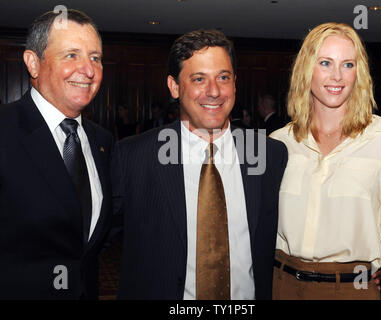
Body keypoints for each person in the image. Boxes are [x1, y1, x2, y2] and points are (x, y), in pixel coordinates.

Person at [112, 29, 287, 299]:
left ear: (235, 84)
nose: (214, 91)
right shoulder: (132, 157)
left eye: (223, 78)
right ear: (174, 86)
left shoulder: (270, 155)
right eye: (198, 79)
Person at [270, 22, 381, 299]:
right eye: (325, 63)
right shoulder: (279, 143)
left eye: (348, 65)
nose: (337, 76)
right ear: (306, 69)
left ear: (359, 73)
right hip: (282, 286)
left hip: (353, 290)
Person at [0, 9, 114, 299]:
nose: (88, 70)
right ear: (33, 63)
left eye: (95, 58)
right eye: (71, 55)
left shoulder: (103, 142)